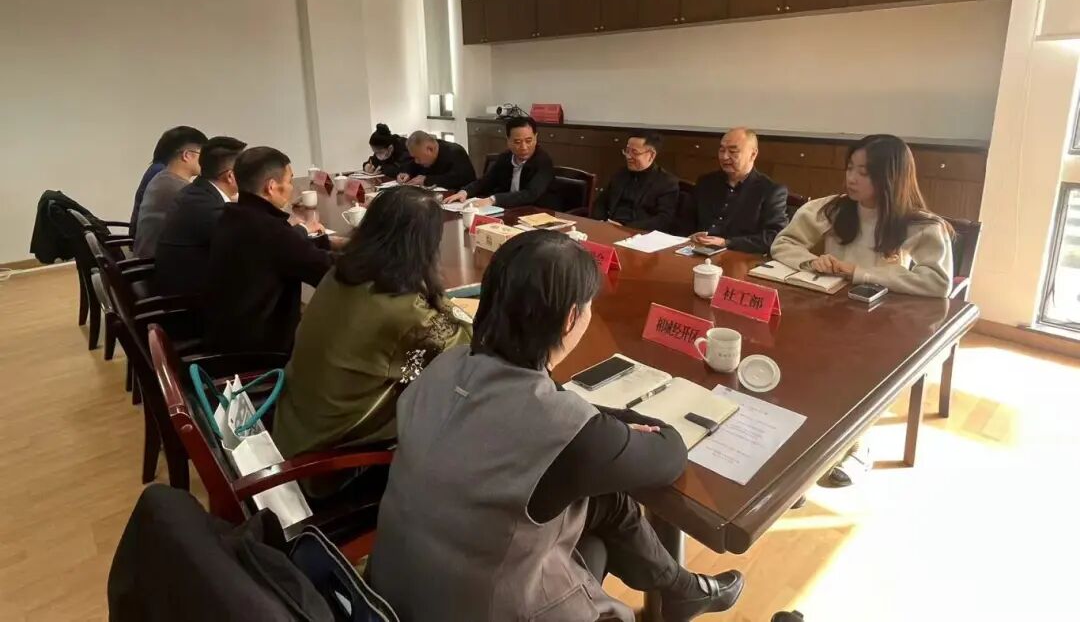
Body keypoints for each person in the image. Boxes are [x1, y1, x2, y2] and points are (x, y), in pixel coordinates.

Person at [369, 231, 744, 622]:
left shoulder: (446, 364)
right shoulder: (566, 432)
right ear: (570, 319)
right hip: (482, 608)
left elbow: (553, 412)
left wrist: (600, 425)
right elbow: (670, 454)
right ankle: (678, 591)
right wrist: (624, 423)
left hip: (390, 595)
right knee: (596, 536)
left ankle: (680, 590)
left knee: (603, 508)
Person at [770, 134, 953, 486]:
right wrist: (811, 261)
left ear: (891, 177)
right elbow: (784, 243)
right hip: (829, 313)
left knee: (857, 366)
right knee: (796, 353)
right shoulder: (832, 208)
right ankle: (808, 449)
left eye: (864, 173)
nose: (852, 179)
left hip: (882, 321)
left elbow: (937, 282)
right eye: (850, 168)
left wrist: (860, 273)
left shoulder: (919, 224)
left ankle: (858, 442)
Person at [274, 186, 472, 472]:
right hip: (328, 458)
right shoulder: (406, 311)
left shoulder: (341, 272)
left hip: (295, 422)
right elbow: (467, 345)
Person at [203, 146, 338, 357]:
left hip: (228, 335)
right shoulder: (269, 230)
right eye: (290, 181)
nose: (292, 188)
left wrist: (323, 240)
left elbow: (290, 251)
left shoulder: (233, 215)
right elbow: (327, 269)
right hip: (261, 352)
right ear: (271, 187)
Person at [154, 136, 246, 301]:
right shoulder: (205, 206)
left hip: (183, 288)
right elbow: (249, 243)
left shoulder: (197, 192)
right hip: (190, 303)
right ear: (230, 176)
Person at [690, 128, 789, 254]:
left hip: (738, 255)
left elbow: (774, 237)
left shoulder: (771, 191)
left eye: (733, 151)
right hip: (695, 251)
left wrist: (726, 243)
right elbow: (685, 220)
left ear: (753, 154)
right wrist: (691, 236)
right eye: (722, 150)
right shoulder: (706, 182)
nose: (724, 157)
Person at [443, 116, 555, 208]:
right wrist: (464, 192)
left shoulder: (543, 161)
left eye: (528, 141)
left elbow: (530, 194)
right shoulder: (505, 158)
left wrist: (493, 200)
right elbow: (486, 181)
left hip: (537, 213)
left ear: (536, 137)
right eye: (517, 142)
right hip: (508, 211)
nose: (524, 147)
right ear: (508, 141)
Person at [133, 127, 207, 258]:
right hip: (156, 264)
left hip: (149, 258)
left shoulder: (161, 177)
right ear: (187, 155)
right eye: (204, 155)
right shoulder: (178, 189)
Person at [591, 132, 679, 230]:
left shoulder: (667, 182)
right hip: (609, 227)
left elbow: (664, 219)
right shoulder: (621, 174)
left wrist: (626, 228)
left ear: (651, 155)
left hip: (639, 232)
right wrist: (602, 221)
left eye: (634, 152)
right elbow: (600, 203)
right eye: (627, 151)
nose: (628, 156)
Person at [396, 131, 476, 190]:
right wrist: (406, 173)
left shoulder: (455, 152)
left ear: (430, 149)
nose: (416, 161)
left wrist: (427, 180)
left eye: (418, 158)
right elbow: (411, 165)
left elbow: (462, 179)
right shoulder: (420, 153)